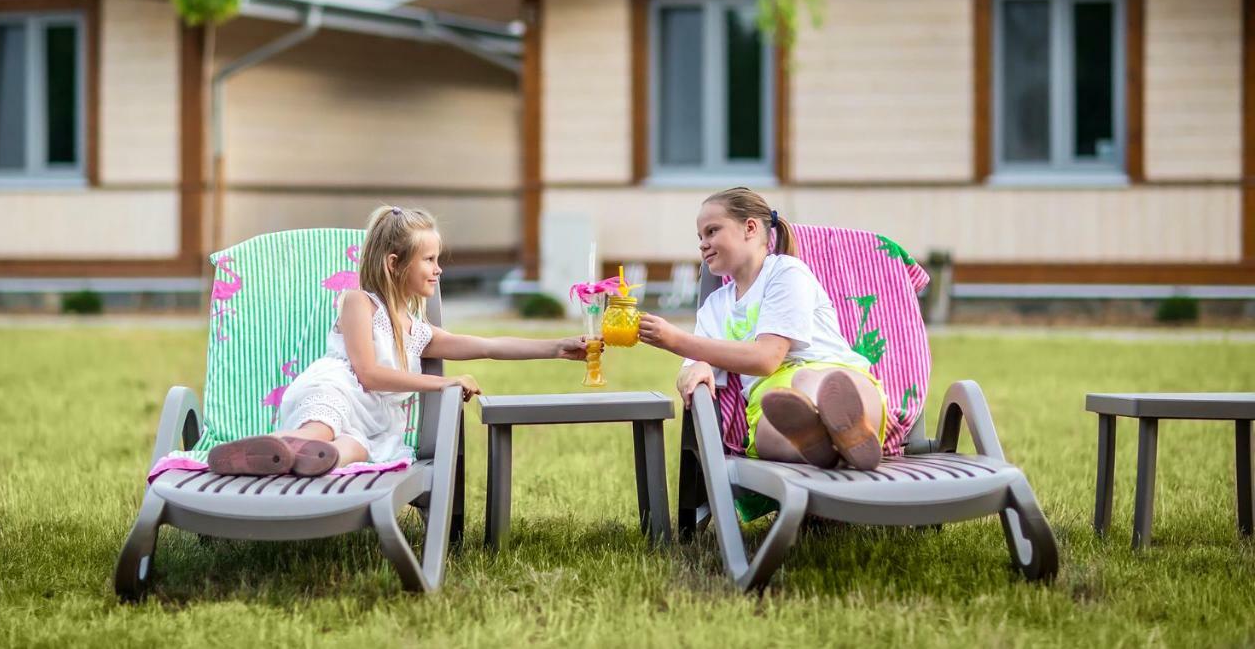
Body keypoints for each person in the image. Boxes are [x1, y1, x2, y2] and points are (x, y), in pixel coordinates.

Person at [208, 205, 595, 476]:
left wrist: (556, 348)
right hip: (334, 393)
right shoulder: (360, 303)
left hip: (370, 423)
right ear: (394, 263)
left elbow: (486, 345)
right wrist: (443, 381)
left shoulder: (415, 329)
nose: (438, 269)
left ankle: (310, 461)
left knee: (354, 451)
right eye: (428, 260)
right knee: (321, 428)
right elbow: (369, 374)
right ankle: (264, 450)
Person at [637, 188, 887, 470]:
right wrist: (693, 371)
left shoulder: (786, 273)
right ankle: (825, 443)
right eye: (700, 237)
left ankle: (840, 429)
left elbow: (767, 358)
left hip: (837, 375)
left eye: (712, 231)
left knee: (807, 382)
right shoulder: (715, 307)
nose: (703, 244)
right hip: (773, 403)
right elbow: (691, 368)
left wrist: (676, 340)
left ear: (750, 228)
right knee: (776, 410)